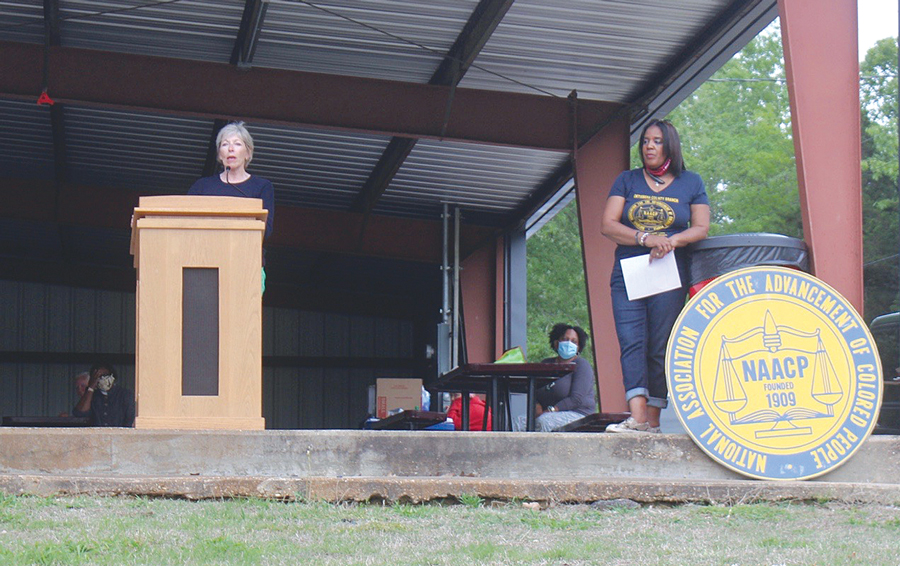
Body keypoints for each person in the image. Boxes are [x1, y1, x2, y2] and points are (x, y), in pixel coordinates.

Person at [601, 119, 709, 433]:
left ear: (670, 146)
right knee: (631, 341)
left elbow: (701, 227)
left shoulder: (691, 182)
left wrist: (671, 241)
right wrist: (645, 238)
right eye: (646, 141)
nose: (649, 146)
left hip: (669, 272)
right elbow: (608, 224)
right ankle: (636, 418)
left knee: (659, 344)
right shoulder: (627, 180)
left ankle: (653, 420)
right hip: (630, 270)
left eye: (657, 141)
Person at [188, 121, 275, 290]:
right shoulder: (202, 186)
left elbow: (267, 229)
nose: (230, 149)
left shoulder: (262, 186)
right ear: (220, 155)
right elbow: (181, 218)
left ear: (248, 153)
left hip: (246, 263)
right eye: (225, 144)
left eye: (237, 144)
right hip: (205, 261)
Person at [532, 323, 598, 432]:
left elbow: (576, 399)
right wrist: (537, 407)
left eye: (574, 341)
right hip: (545, 414)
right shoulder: (546, 364)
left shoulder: (582, 365)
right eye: (565, 339)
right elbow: (535, 392)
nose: (569, 343)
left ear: (578, 347)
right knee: (519, 422)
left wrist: (552, 410)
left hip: (578, 414)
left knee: (544, 422)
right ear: (556, 343)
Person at [73, 362, 135, 427]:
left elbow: (130, 419)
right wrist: (91, 387)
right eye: (97, 377)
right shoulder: (92, 395)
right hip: (97, 436)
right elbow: (80, 413)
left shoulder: (124, 394)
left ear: (112, 376)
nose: (102, 379)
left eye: (104, 375)